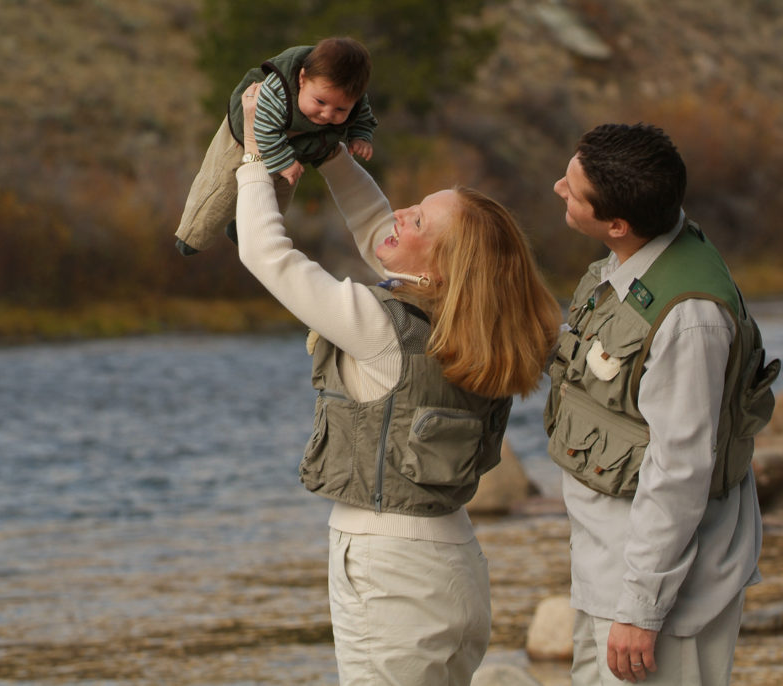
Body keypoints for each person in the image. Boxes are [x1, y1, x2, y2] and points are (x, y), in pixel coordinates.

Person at [234, 81, 562, 684]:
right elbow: (377, 228)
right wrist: (331, 152)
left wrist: (257, 152)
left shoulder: (380, 327)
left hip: (392, 574)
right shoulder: (478, 323)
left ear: (439, 266)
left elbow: (266, 255)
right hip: (452, 568)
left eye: (417, 219)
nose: (398, 215)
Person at [544, 123, 780, 685]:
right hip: (606, 569)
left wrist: (641, 611)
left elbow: (680, 470)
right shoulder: (635, 257)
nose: (558, 188)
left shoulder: (687, 321)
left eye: (572, 190)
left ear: (617, 224)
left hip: (659, 595)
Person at [175, 36, 378, 255]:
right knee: (222, 188)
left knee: (276, 200)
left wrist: (360, 137)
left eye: (341, 110)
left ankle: (244, 229)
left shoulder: (353, 100)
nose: (328, 114)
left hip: (292, 148)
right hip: (245, 137)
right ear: (302, 79)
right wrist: (283, 161)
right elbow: (262, 126)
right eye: (320, 102)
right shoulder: (277, 91)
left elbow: (363, 118)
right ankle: (192, 236)